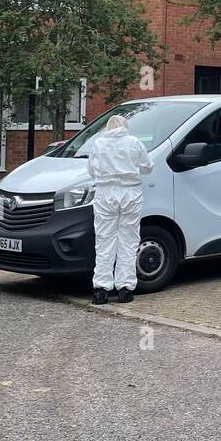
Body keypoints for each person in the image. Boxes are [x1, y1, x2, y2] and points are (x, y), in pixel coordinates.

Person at [87, 114, 153, 305]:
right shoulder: (134, 142)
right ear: (125, 126)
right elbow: (148, 167)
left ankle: (101, 289)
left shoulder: (98, 144)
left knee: (104, 240)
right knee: (129, 240)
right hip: (130, 193)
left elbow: (91, 170)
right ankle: (125, 288)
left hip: (105, 193)